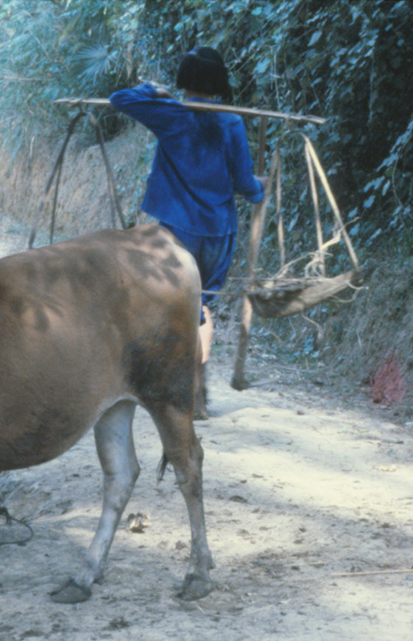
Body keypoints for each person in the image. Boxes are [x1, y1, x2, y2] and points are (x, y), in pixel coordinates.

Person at [110, 46, 265, 418]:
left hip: (177, 231)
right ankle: (197, 392)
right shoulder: (231, 122)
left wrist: (153, 90)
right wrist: (261, 189)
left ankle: (176, 388)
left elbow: (119, 99)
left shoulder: (171, 115)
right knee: (202, 306)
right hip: (217, 232)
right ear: (219, 83)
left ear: (184, 81)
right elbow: (245, 183)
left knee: (178, 307)